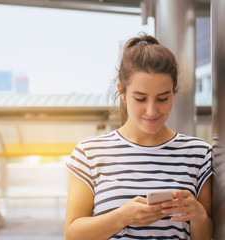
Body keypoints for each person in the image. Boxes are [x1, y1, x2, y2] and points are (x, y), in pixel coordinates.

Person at [64, 33, 213, 240]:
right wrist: (122, 217)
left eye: (163, 98)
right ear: (122, 92)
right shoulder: (89, 153)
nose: (152, 111)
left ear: (174, 92)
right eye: (140, 98)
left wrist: (198, 216)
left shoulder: (199, 153)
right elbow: (72, 234)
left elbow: (206, 236)